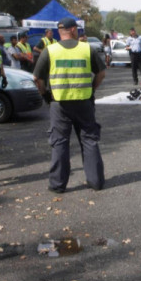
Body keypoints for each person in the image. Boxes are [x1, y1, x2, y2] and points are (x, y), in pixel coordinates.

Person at [33, 17, 106, 193]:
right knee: (89, 140)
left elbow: (37, 78)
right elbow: (101, 73)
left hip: (59, 104)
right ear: (73, 30)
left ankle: (57, 185)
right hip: (84, 102)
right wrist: (91, 88)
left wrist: (45, 94)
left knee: (60, 143)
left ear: (60, 31)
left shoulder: (50, 51)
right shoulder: (87, 49)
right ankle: (96, 181)